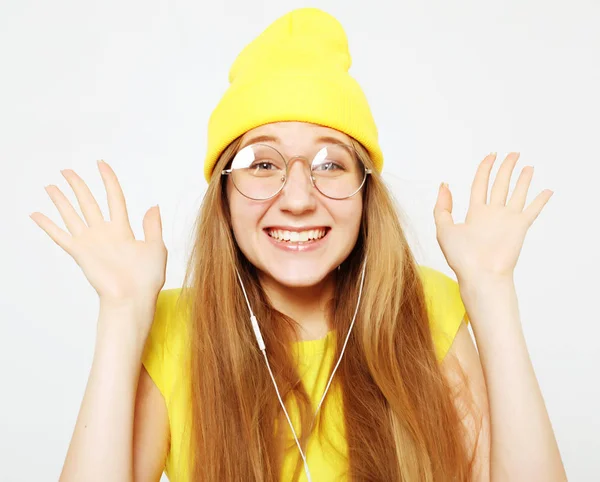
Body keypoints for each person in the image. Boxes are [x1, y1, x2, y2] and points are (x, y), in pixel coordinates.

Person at [31, 7, 566, 482]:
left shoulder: (427, 306)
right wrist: (122, 314)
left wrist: (491, 292)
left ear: (365, 192)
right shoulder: (174, 328)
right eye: (263, 164)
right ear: (223, 194)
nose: (297, 198)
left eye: (330, 164)